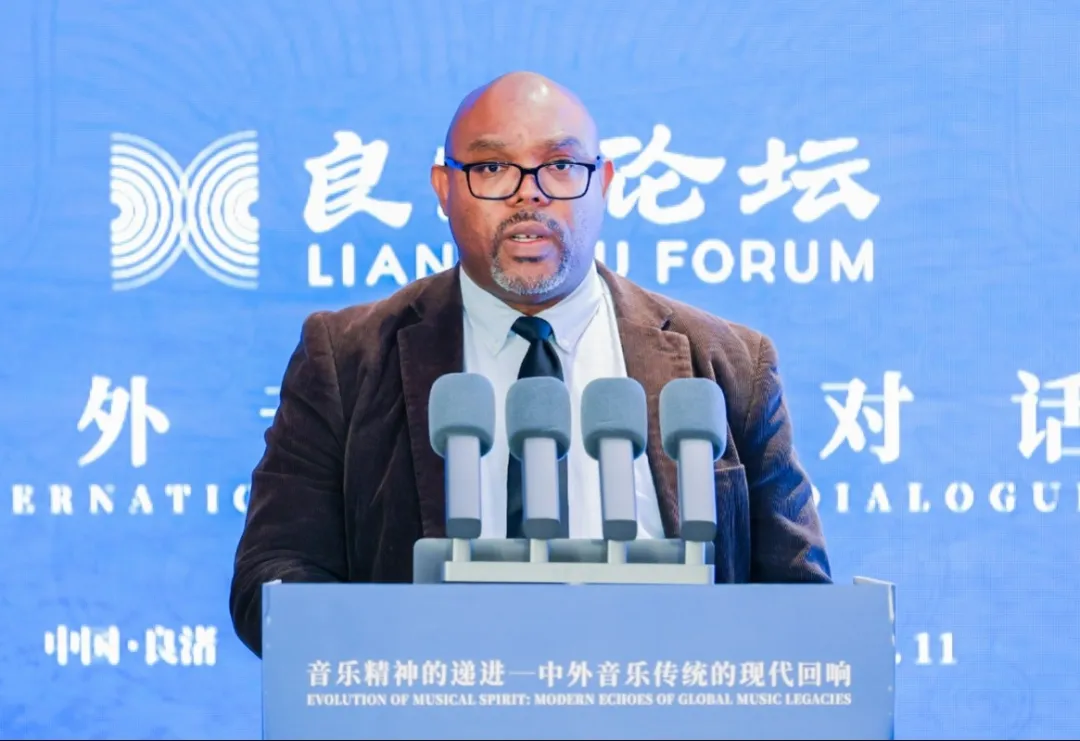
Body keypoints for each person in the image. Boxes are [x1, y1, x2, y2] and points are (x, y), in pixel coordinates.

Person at [229, 71, 831, 658]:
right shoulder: (346, 357)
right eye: (492, 167)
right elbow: (272, 577)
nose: (530, 193)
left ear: (604, 183)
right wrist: (405, 662)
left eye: (561, 165)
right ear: (444, 187)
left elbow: (801, 600)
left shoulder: (729, 364)